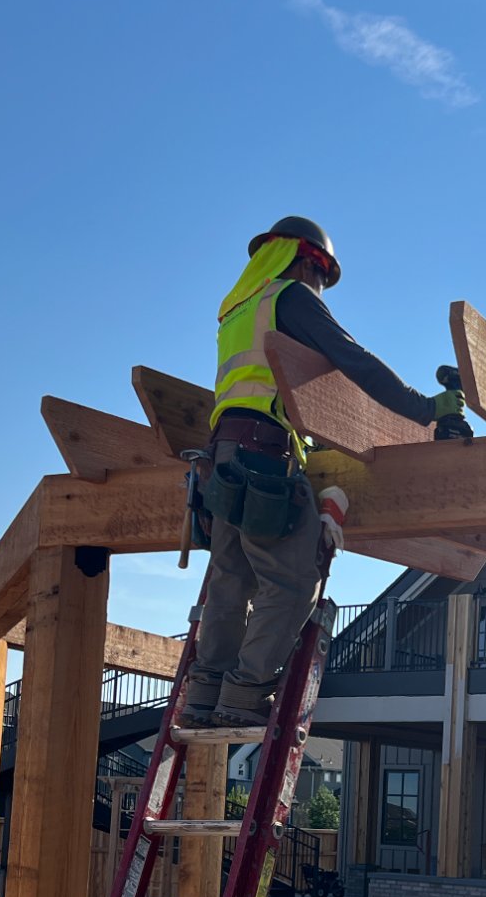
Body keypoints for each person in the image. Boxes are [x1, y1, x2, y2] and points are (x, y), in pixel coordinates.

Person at [179, 216, 470, 728]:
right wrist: (429, 409)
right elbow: (352, 359)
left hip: (222, 459)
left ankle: (204, 696)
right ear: (308, 261)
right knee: (292, 582)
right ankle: (245, 695)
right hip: (262, 459)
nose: (321, 288)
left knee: (231, 580)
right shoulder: (291, 297)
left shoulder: (236, 308)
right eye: (323, 277)